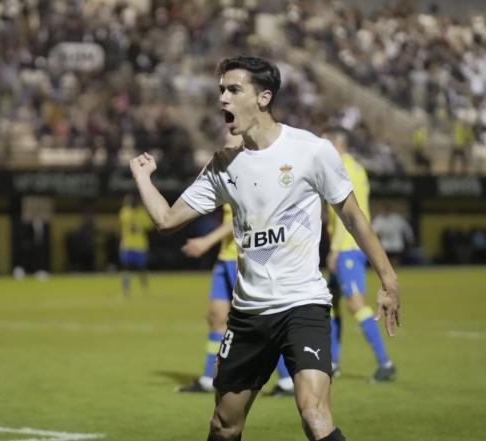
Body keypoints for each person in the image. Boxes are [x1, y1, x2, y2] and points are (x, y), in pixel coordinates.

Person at [129, 56, 400, 441]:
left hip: (303, 304)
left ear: (263, 97)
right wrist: (143, 179)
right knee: (225, 425)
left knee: (315, 413)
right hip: (248, 315)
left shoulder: (312, 151)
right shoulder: (225, 164)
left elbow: (354, 218)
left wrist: (389, 280)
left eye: (234, 89)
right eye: (221, 89)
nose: (223, 98)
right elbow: (167, 220)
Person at [178, 203, 295, 395]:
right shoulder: (226, 177)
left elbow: (241, 217)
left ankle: (288, 380)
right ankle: (209, 378)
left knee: (258, 320)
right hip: (226, 257)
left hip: (243, 258)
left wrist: (207, 241)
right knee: (216, 317)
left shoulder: (243, 177)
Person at [322, 127, 396, 382]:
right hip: (345, 248)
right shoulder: (354, 167)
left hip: (347, 250)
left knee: (356, 304)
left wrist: (333, 250)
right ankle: (332, 362)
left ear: (335, 143)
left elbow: (349, 216)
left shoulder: (345, 168)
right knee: (331, 303)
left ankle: (385, 363)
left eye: (324, 141)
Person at [118, 193, 153, 296]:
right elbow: (129, 222)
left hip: (140, 246)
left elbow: (149, 225)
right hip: (128, 245)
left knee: (141, 269)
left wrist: (141, 225)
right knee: (126, 268)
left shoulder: (142, 212)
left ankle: (144, 288)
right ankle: (126, 290)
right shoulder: (125, 212)